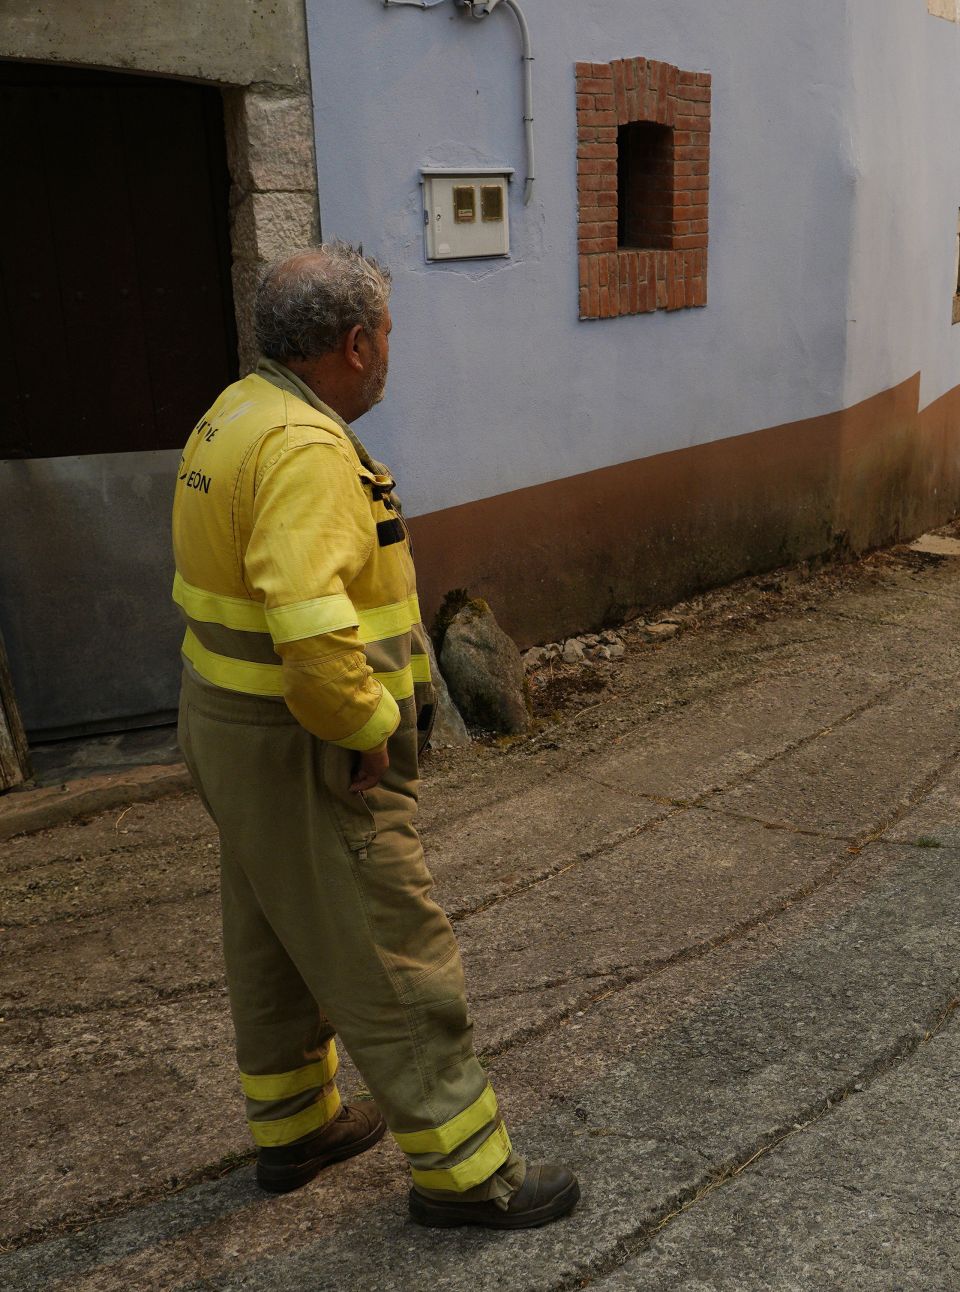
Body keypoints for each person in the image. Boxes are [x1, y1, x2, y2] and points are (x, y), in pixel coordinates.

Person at [171, 242, 580, 1230]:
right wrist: (368, 726)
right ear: (355, 345)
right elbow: (313, 639)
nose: (392, 349)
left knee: (271, 927)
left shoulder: (236, 412)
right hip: (306, 741)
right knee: (390, 942)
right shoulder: (308, 450)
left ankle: (294, 1124)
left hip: (231, 731)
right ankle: (466, 1173)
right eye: (388, 332)